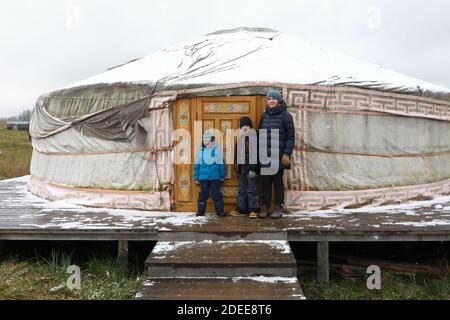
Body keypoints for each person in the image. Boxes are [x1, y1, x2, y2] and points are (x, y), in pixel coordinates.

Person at [258, 90, 295, 219]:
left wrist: (286, 153)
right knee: (266, 182)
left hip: (279, 155)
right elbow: (260, 136)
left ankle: (279, 206)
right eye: (269, 99)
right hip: (265, 155)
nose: (271, 101)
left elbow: (291, 136)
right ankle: (266, 206)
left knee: (277, 181)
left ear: (279, 100)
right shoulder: (264, 116)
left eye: (274, 98)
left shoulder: (285, 116)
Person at [230, 116, 260, 219]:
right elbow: (236, 155)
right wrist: (236, 168)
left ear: (250, 126)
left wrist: (253, 169)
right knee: (242, 190)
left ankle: (253, 210)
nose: (245, 127)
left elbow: (255, 154)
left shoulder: (254, 138)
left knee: (252, 190)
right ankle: (241, 209)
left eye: (247, 125)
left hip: (251, 169)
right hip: (241, 169)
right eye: (243, 125)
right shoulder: (240, 139)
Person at [194, 130, 228, 217]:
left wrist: (222, 175)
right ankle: (200, 211)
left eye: (209, 141)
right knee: (203, 194)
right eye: (205, 141)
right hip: (203, 178)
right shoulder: (200, 152)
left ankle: (220, 211)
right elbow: (197, 166)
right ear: (203, 142)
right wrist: (196, 178)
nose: (207, 143)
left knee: (216, 194)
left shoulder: (216, 152)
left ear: (212, 142)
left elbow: (221, 164)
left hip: (214, 178)